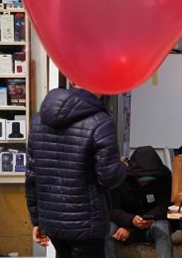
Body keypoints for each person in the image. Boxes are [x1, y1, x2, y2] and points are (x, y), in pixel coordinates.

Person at [26, 87, 127, 258]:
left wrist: (36, 220)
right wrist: (122, 166)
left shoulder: (38, 120)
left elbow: (31, 176)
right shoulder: (100, 121)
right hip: (87, 223)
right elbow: (110, 178)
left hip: (51, 220)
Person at [107, 146, 173, 258]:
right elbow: (112, 209)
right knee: (108, 228)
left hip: (150, 222)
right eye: (141, 177)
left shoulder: (163, 176)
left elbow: (163, 206)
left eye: (149, 178)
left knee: (162, 227)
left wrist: (140, 221)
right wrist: (130, 221)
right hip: (123, 224)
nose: (145, 181)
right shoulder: (120, 177)